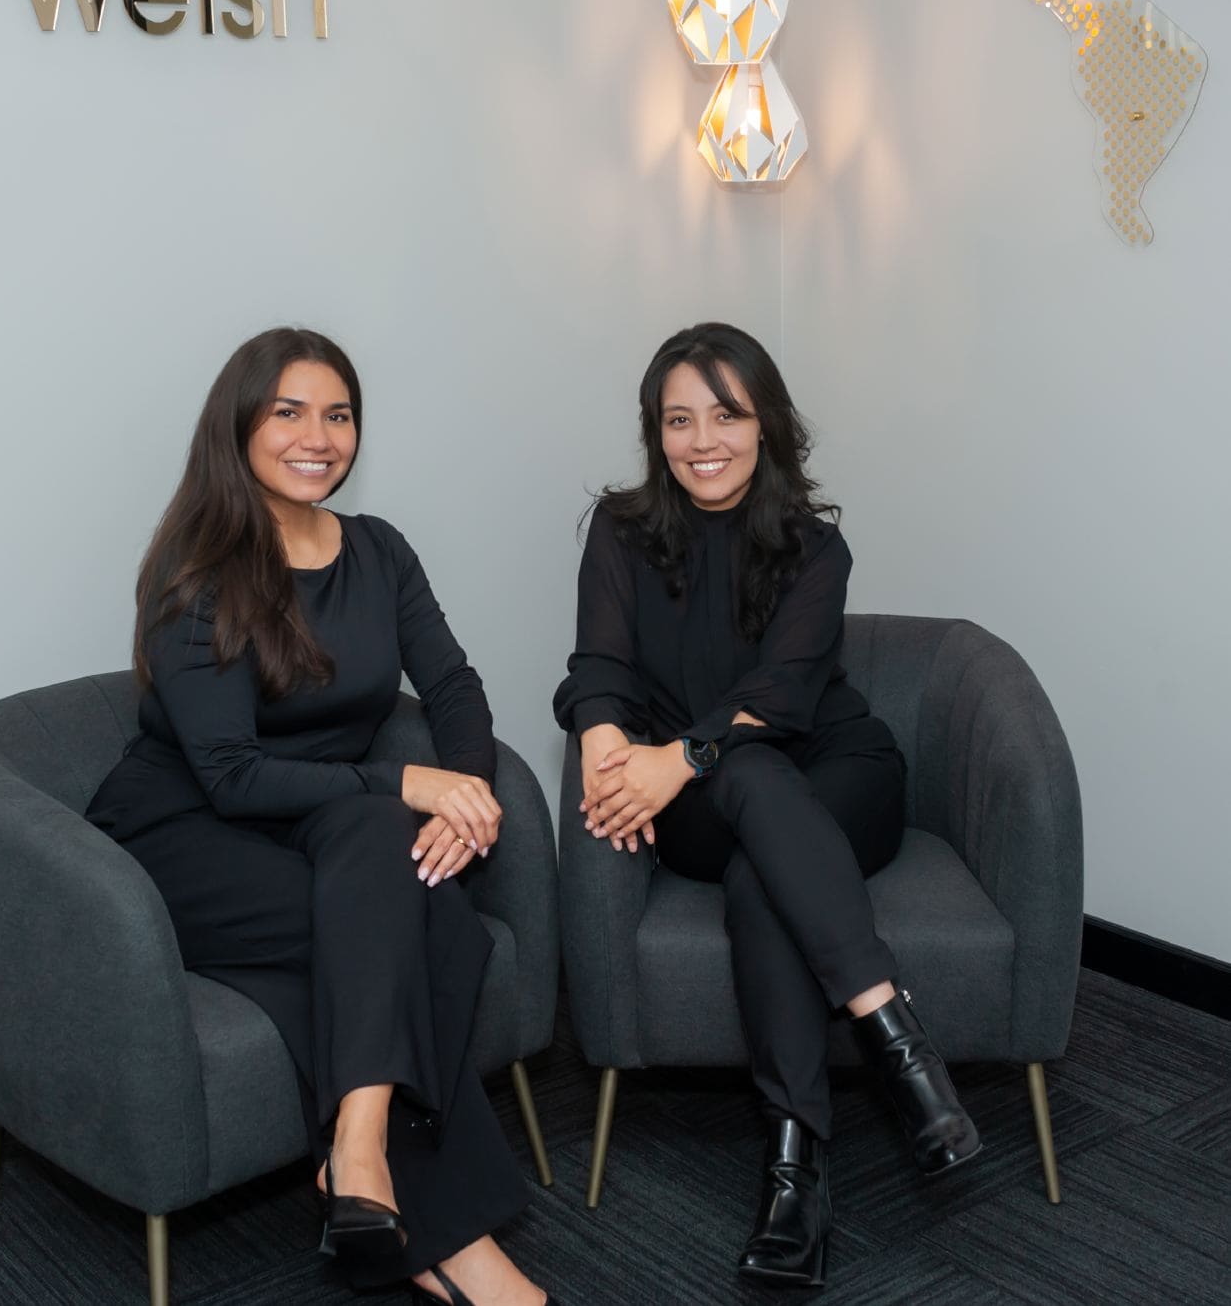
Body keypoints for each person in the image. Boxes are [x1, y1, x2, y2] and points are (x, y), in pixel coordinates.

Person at [86, 328, 550, 1306]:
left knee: (384, 888)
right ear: (239, 426)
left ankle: (359, 1158)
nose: (317, 434)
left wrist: (461, 793)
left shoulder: (377, 550)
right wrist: (404, 786)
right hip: (183, 836)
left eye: (337, 413)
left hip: (320, 830)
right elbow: (229, 775)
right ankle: (461, 1247)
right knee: (426, 922)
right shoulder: (198, 568)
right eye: (288, 410)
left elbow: (455, 689)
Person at [552, 321, 980, 1288]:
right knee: (743, 784)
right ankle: (896, 1038)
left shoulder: (814, 546)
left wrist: (680, 755)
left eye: (727, 414)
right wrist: (606, 740)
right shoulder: (619, 533)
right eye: (677, 419)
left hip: (838, 774)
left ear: (766, 423)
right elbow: (597, 667)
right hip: (708, 793)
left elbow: (783, 700)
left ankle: (795, 1171)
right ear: (653, 433)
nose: (702, 439)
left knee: (760, 853)